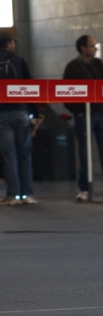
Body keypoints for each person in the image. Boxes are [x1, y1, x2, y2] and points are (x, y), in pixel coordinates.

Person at [62, 35, 103, 202]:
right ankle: (84, 189)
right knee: (84, 154)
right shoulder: (72, 67)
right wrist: (78, 111)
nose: (95, 48)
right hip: (84, 115)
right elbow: (66, 92)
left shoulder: (99, 64)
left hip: (101, 113)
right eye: (92, 46)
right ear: (83, 48)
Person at [0, 32, 42, 206]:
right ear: (9, 43)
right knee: (25, 154)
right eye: (14, 43)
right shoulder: (18, 61)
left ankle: (12, 195)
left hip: (1, 114)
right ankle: (27, 194)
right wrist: (36, 114)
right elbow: (30, 88)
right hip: (20, 111)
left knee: (9, 156)